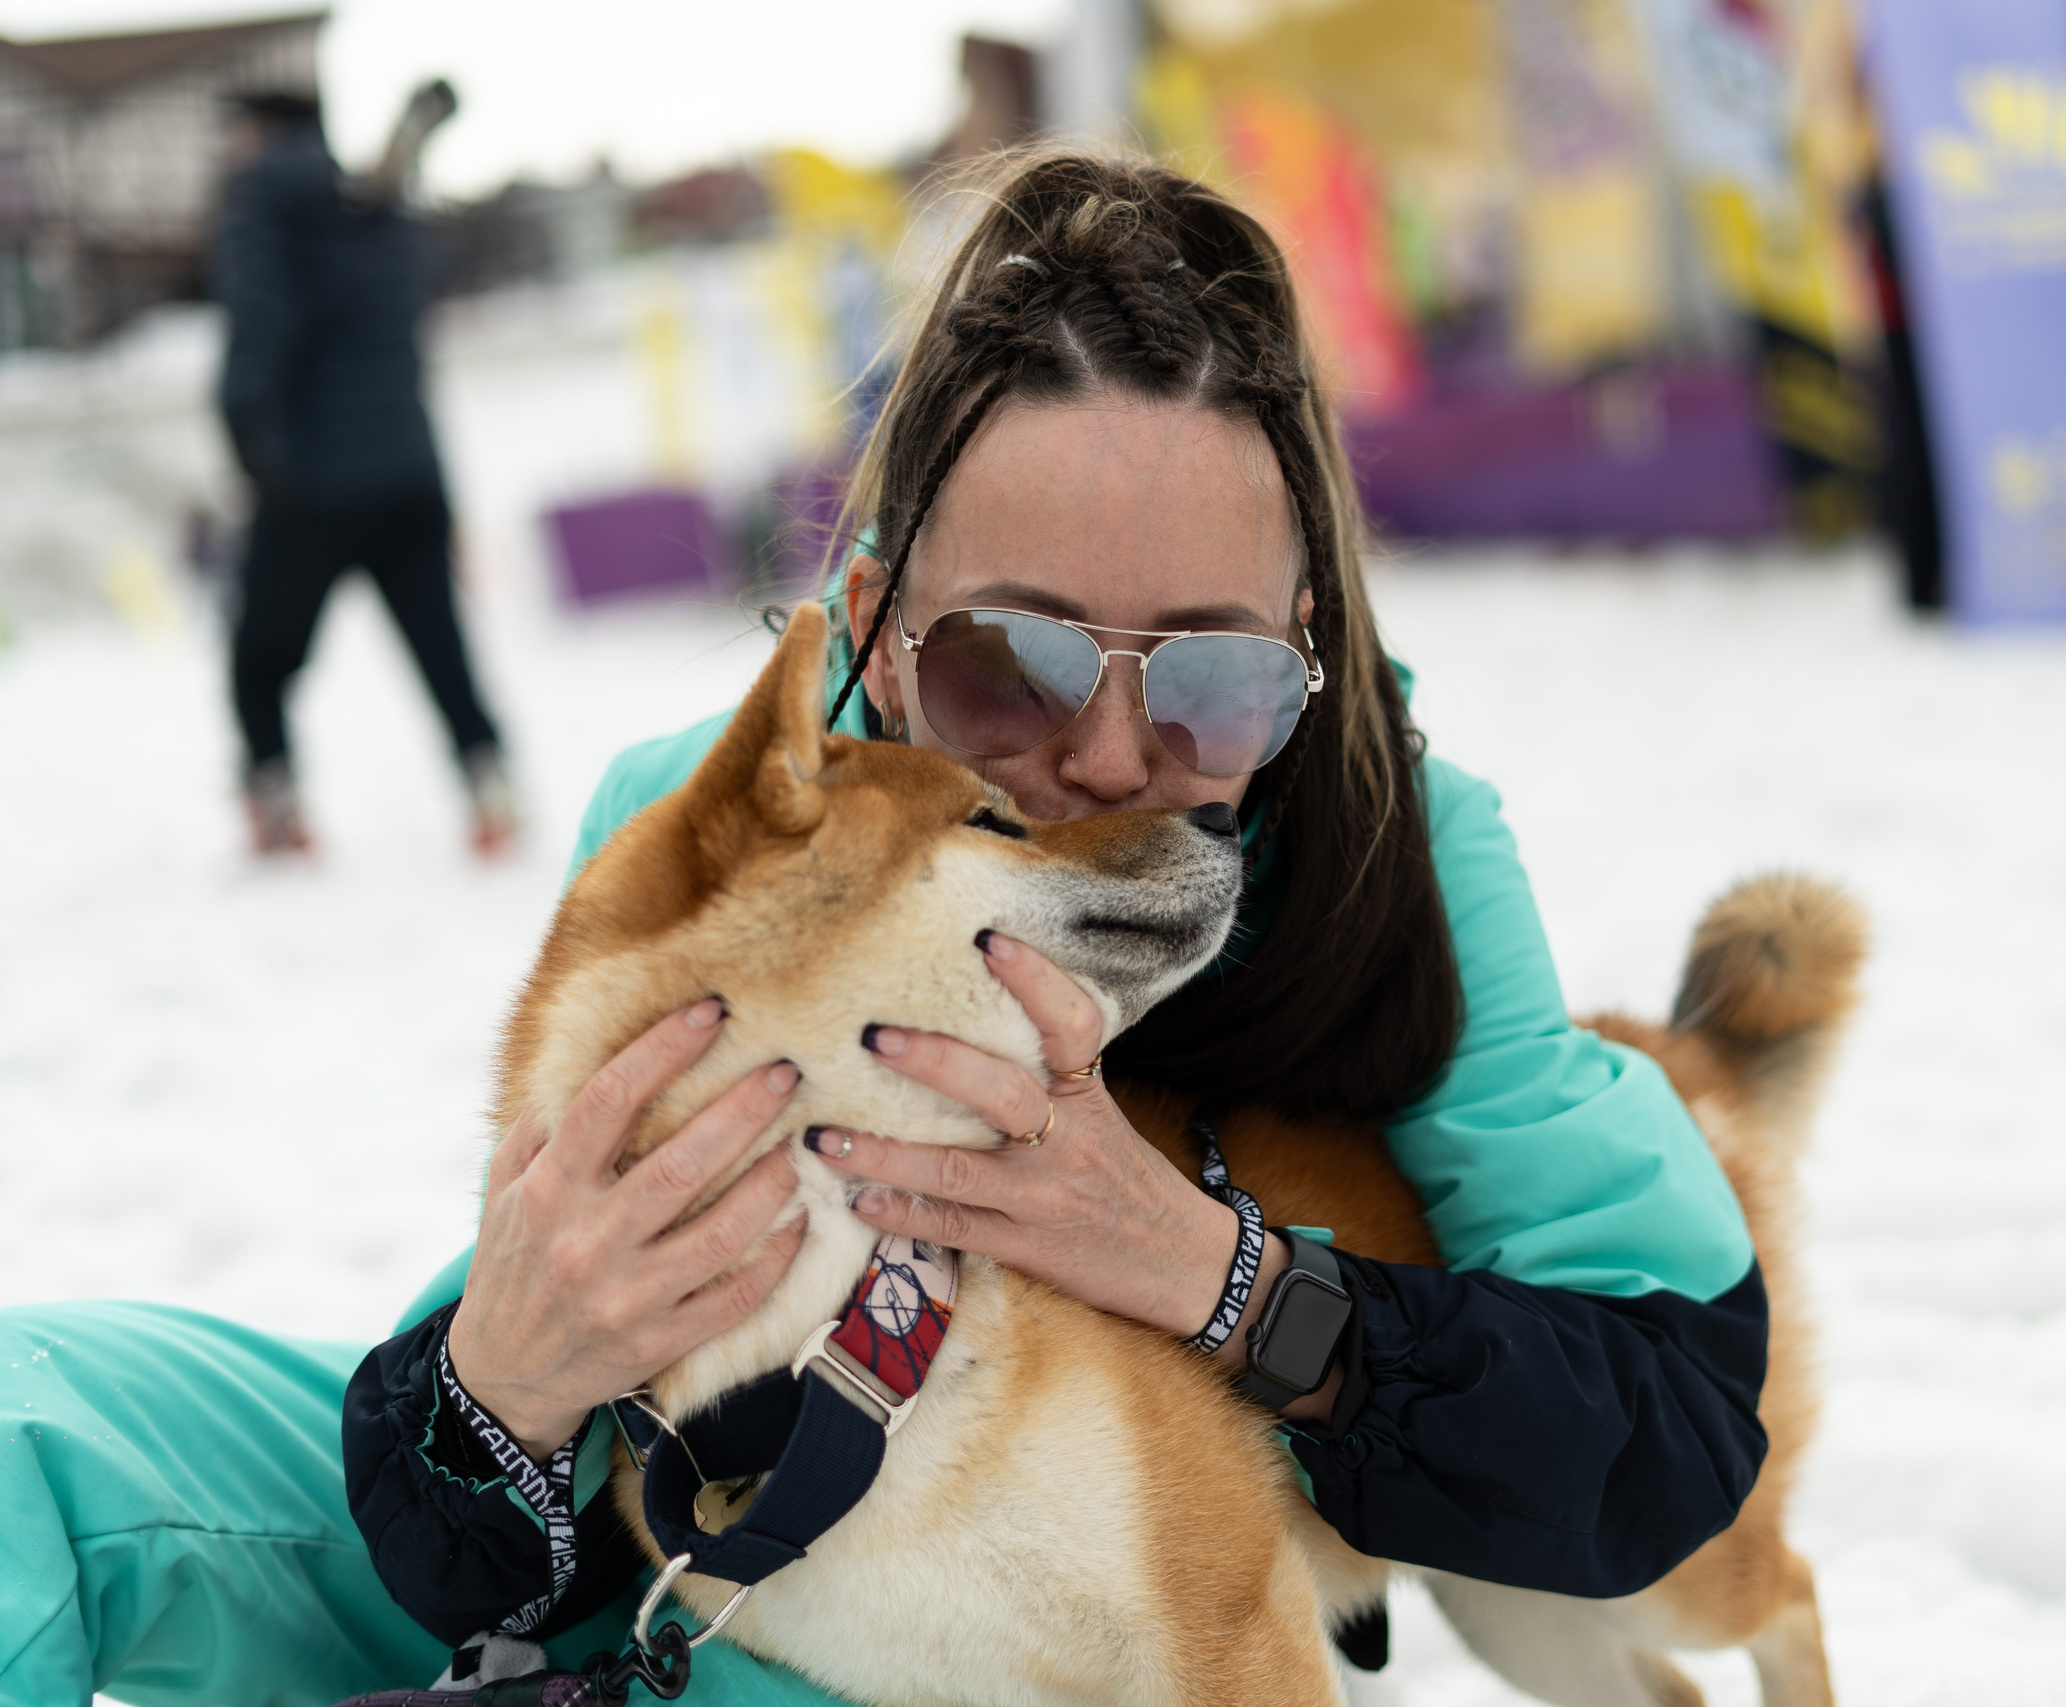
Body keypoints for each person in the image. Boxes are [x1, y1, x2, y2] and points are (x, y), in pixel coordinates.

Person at [0, 151, 1769, 1706]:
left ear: (1304, 643)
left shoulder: (1398, 855)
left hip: (1013, 1602)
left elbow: (1671, 1426)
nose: (1104, 755)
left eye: (1218, 678)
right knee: (32, 1426)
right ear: (880, 622)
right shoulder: (707, 825)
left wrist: (1225, 1284)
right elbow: (496, 1504)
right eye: (1014, 659)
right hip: (680, 1540)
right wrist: (502, 1390)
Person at [213, 88, 516, 858]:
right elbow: (401, 352)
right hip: (407, 473)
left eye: (231, 135)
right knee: (438, 644)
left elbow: (258, 330)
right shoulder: (375, 211)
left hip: (309, 482)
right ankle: (492, 790)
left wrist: (251, 445)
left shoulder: (260, 204)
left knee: (259, 657)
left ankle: (276, 807)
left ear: (257, 134)